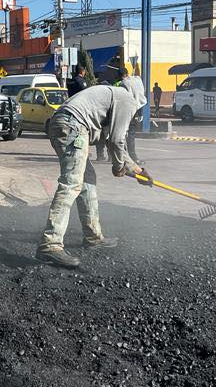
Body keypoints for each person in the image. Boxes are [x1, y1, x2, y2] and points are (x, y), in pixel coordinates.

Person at [37, 84, 149, 268]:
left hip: (62, 123)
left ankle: (93, 237)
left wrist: (137, 171)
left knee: (87, 178)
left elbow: (113, 143)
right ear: (138, 98)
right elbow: (116, 141)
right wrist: (119, 166)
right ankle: (50, 243)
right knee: (71, 183)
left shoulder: (110, 98)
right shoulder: (127, 100)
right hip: (72, 126)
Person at [120, 66, 147, 164]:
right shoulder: (137, 79)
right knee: (130, 134)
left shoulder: (123, 83)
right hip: (139, 108)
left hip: (128, 110)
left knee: (124, 134)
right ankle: (132, 157)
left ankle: (128, 157)